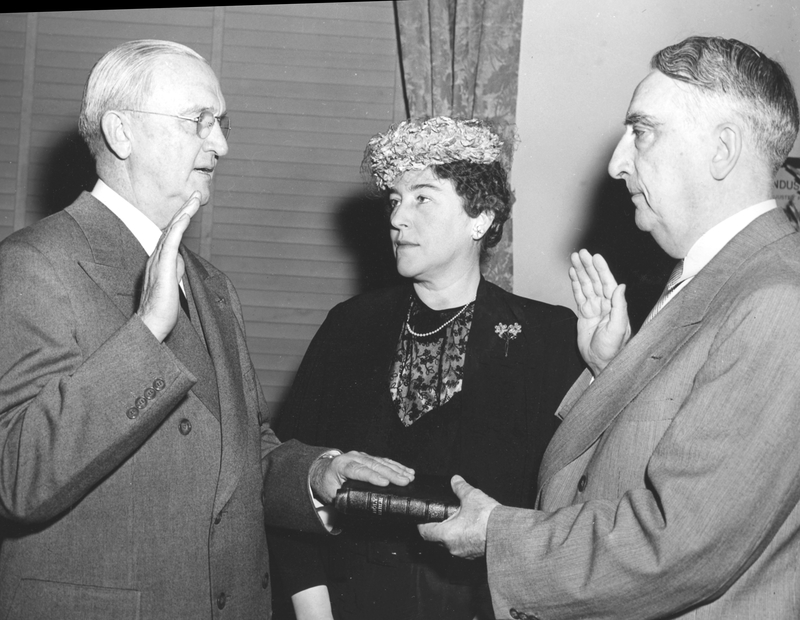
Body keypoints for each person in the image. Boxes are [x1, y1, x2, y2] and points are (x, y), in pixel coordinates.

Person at [0, 39, 413, 620]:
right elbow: (18, 477)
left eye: (221, 123)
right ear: (121, 133)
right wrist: (148, 332)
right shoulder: (31, 265)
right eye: (199, 121)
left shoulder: (212, 285)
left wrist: (317, 475)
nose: (220, 145)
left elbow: (240, 453)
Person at [419, 35, 800, 620]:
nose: (616, 162)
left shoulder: (777, 302)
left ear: (722, 150)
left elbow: (676, 543)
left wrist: (500, 536)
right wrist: (611, 369)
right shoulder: (718, 278)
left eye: (641, 132)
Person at [266, 116, 585, 620]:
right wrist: (314, 612)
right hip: (350, 603)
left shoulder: (549, 336)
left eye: (422, 198)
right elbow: (290, 475)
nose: (397, 218)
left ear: (479, 216)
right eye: (394, 201)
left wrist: (607, 365)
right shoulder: (349, 326)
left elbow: (575, 503)